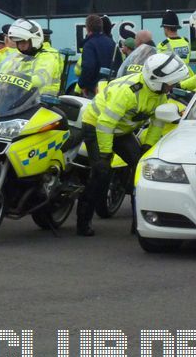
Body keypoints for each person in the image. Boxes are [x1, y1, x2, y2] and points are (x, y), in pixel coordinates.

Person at [77, 52, 189, 236]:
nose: (172, 87)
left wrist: (146, 148)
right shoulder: (129, 93)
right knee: (101, 171)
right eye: (169, 83)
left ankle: (139, 223)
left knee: (142, 169)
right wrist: (105, 154)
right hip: (96, 125)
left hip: (122, 130)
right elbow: (105, 123)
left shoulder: (158, 94)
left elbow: (157, 123)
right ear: (156, 80)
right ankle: (83, 222)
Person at [6, 18, 63, 95]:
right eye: (18, 42)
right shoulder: (20, 56)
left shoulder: (47, 56)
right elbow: (5, 71)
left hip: (44, 100)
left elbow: (40, 79)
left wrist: (14, 81)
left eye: (23, 41)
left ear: (34, 40)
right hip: (23, 99)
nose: (21, 45)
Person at [77, 13, 117, 98]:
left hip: (94, 89)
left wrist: (82, 85)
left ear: (87, 28)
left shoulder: (89, 44)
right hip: (111, 88)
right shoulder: (112, 43)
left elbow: (88, 66)